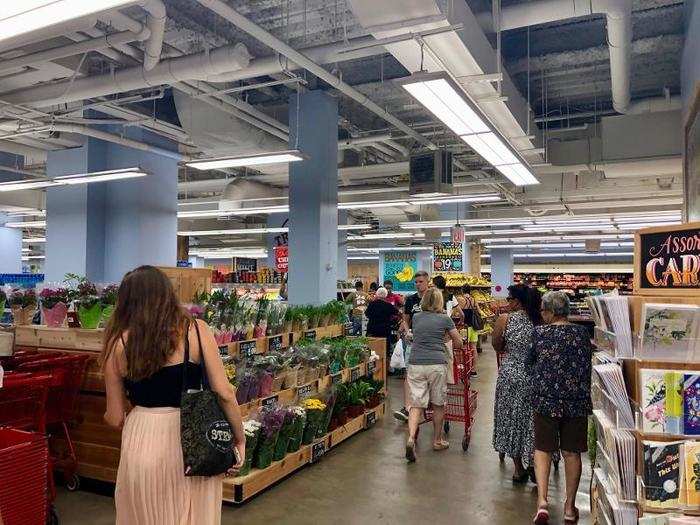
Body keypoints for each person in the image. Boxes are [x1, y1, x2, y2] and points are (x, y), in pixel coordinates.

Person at [101, 266, 246, 525]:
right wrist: (239, 438)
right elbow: (224, 393)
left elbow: (114, 417)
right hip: (192, 438)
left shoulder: (117, 344)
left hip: (141, 435)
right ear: (167, 295)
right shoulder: (196, 330)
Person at [530, 291, 593, 525]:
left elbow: (530, 362)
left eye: (543, 311)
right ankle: (569, 507)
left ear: (550, 312)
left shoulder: (538, 334)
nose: (542, 315)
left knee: (543, 449)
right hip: (576, 401)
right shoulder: (581, 334)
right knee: (571, 452)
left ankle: (543, 503)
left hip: (545, 400)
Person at [491, 284, 542, 484]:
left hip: (511, 376)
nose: (507, 303)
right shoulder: (540, 320)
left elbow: (496, 345)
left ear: (517, 301)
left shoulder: (505, 320)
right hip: (535, 377)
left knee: (511, 419)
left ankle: (518, 469)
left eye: (509, 299)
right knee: (533, 421)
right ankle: (535, 462)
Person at [405, 288, 463, 462]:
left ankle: (410, 438)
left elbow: (418, 335)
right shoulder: (445, 318)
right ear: (439, 301)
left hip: (416, 363)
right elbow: (458, 342)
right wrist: (445, 338)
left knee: (416, 404)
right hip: (436, 364)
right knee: (438, 404)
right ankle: (437, 440)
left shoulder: (416, 317)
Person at [394, 270, 431, 422]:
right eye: (416, 282)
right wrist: (407, 331)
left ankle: (428, 404)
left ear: (427, 282)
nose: (418, 284)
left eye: (420, 281)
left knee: (429, 377)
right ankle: (408, 407)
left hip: (430, 343)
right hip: (413, 342)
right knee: (409, 375)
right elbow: (405, 319)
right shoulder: (410, 300)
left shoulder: (434, 298)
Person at [365, 287, 400, 362]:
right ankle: (384, 370)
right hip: (385, 331)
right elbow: (397, 313)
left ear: (377, 294)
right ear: (385, 295)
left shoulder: (372, 304)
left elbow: (367, 314)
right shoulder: (388, 305)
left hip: (372, 329)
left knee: (372, 349)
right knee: (385, 351)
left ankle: (372, 367)